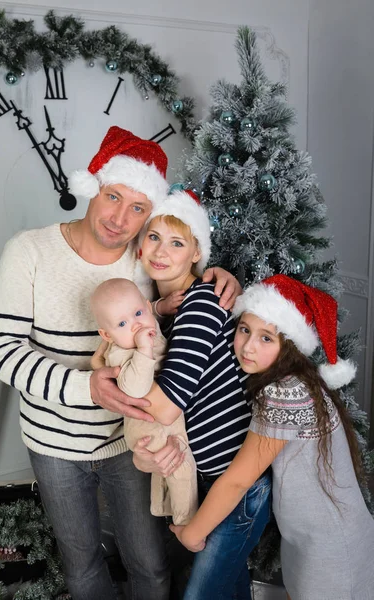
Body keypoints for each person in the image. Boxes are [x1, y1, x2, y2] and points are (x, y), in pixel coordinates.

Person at [0, 125, 241, 600]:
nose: (120, 218)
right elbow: (1, 351)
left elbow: (183, 279)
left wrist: (217, 274)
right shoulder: (29, 251)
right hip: (53, 442)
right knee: (82, 565)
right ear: (92, 189)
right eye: (113, 197)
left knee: (150, 562)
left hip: (126, 443)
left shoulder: (145, 262)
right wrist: (87, 387)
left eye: (138, 208)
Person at [170, 274, 374, 600]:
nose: (249, 346)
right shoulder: (293, 380)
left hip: (330, 548)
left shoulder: (285, 392)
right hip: (309, 539)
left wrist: (192, 534)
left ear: (288, 345)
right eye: (245, 330)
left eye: (267, 338)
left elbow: (238, 480)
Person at [132, 188, 272, 600]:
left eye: (177, 242)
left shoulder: (201, 304)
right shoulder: (172, 307)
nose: (161, 251)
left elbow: (170, 401)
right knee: (230, 588)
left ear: (196, 252)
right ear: (140, 244)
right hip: (211, 478)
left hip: (236, 484)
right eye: (154, 237)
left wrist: (108, 390)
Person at [90, 277, 198, 525]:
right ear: (107, 335)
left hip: (156, 421)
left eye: (139, 312)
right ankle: (186, 522)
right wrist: (143, 349)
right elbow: (134, 388)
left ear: (147, 308)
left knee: (165, 469)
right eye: (122, 323)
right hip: (149, 425)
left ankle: (161, 506)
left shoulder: (141, 329)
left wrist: (161, 308)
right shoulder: (122, 351)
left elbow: (146, 318)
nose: (136, 325)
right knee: (181, 466)